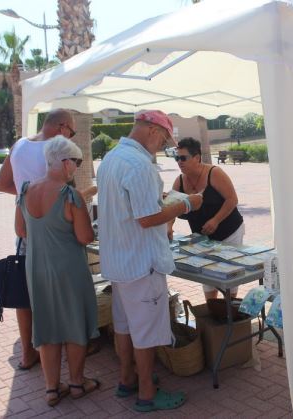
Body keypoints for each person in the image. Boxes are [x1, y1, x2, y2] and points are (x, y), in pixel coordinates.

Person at [97, 110, 202, 412]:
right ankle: (146, 394)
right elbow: (147, 219)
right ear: (154, 131)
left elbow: (135, 209)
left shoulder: (112, 159)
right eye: (164, 140)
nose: (162, 146)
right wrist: (185, 203)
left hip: (120, 261)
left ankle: (127, 378)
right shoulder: (139, 165)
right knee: (144, 332)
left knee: (124, 326)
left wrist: (162, 202)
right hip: (141, 263)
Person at [15, 136, 100, 407]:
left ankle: (52, 389)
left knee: (46, 325)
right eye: (75, 162)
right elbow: (85, 236)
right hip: (69, 268)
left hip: (37, 267)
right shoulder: (69, 194)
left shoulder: (26, 190)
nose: (76, 167)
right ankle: (76, 382)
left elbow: (21, 230)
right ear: (64, 162)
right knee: (75, 323)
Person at [0, 108, 79, 371]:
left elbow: (1, 184)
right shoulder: (57, 151)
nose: (71, 137)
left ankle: (28, 354)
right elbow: (64, 189)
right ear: (62, 127)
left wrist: (25, 198)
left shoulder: (18, 145)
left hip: (24, 229)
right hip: (53, 233)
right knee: (58, 293)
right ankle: (62, 350)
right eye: (72, 132)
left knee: (25, 292)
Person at [170, 137, 245, 300]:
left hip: (229, 232)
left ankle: (229, 311)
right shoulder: (180, 180)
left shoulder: (214, 173)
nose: (179, 162)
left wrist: (216, 220)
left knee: (228, 274)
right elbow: (171, 206)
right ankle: (212, 309)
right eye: (177, 158)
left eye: (183, 158)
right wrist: (169, 226)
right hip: (203, 238)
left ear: (196, 157)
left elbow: (232, 199)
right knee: (207, 275)